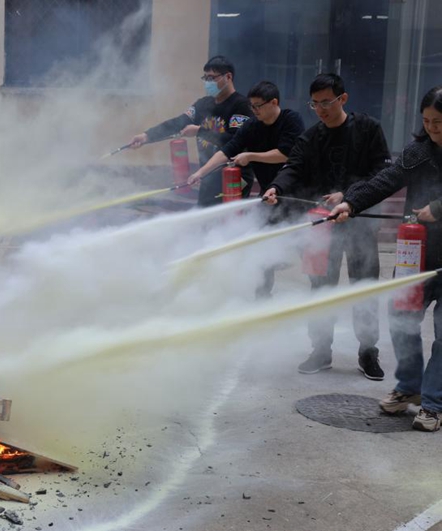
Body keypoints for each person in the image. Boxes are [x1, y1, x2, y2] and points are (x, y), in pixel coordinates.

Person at [262, 73, 392, 379]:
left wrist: (347, 195)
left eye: (326, 102)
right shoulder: (311, 138)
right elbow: (293, 167)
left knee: (364, 287)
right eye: (315, 104)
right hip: (322, 226)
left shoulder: (368, 129)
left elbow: (381, 174)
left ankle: (368, 351)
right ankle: (320, 350)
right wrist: (276, 188)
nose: (320, 110)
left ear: (342, 99)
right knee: (320, 287)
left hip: (360, 222)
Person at [329, 85, 442, 432]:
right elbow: (384, 181)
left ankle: (434, 404)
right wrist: (351, 202)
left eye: (439, 122)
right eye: (427, 121)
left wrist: (438, 207)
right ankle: (409, 386)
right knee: (401, 320)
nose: (432, 128)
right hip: (417, 256)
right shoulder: (418, 152)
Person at [187, 80, 305, 297]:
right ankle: (262, 296)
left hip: (298, 196)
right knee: (261, 246)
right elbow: (228, 149)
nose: (254, 110)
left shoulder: (291, 120)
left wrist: (250, 156)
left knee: (308, 248)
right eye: (252, 106)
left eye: (258, 106)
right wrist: (200, 173)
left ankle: (318, 294)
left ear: (274, 102)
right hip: (269, 195)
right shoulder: (252, 126)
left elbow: (286, 154)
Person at [129, 56, 254, 207]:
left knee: (230, 218)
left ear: (228, 77)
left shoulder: (241, 106)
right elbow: (178, 122)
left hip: (234, 178)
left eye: (212, 78)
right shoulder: (203, 104)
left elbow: (234, 142)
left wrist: (200, 131)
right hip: (207, 176)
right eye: (205, 78)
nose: (207, 82)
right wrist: (147, 136)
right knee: (204, 217)